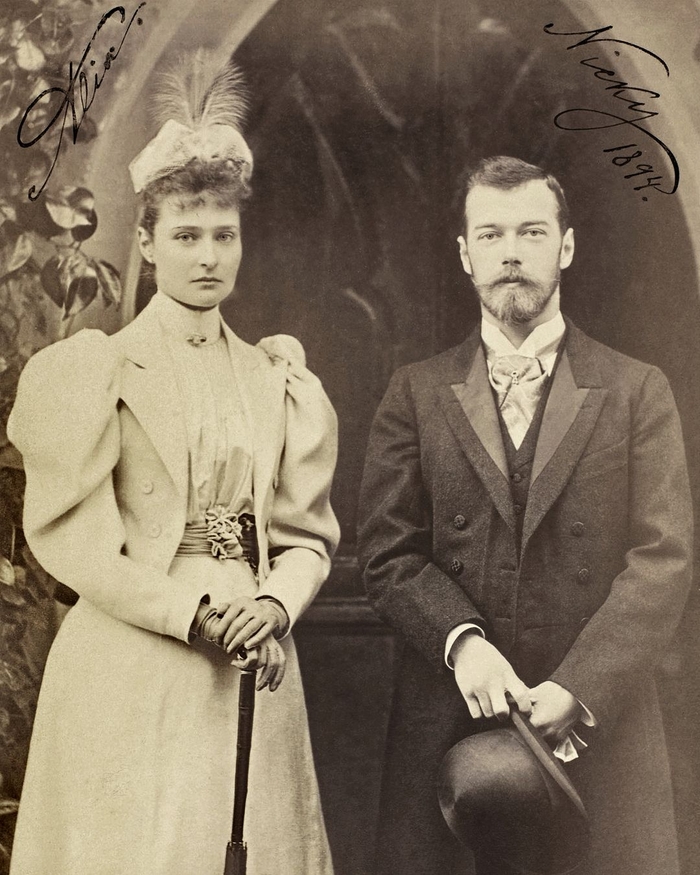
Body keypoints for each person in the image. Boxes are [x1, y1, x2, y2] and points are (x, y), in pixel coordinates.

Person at [7, 54, 339, 875]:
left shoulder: (275, 377)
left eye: (224, 235)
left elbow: (303, 536)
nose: (208, 256)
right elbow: (79, 546)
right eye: (186, 237)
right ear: (148, 243)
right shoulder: (97, 370)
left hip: (253, 660)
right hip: (135, 652)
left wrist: (275, 604)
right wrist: (193, 612)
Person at [357, 155, 693, 875]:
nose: (511, 253)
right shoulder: (415, 393)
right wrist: (462, 643)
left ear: (566, 247)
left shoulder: (636, 390)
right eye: (492, 234)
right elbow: (387, 552)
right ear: (465, 254)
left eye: (532, 232)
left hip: (600, 727)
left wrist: (581, 686)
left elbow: (663, 558)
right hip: (452, 721)